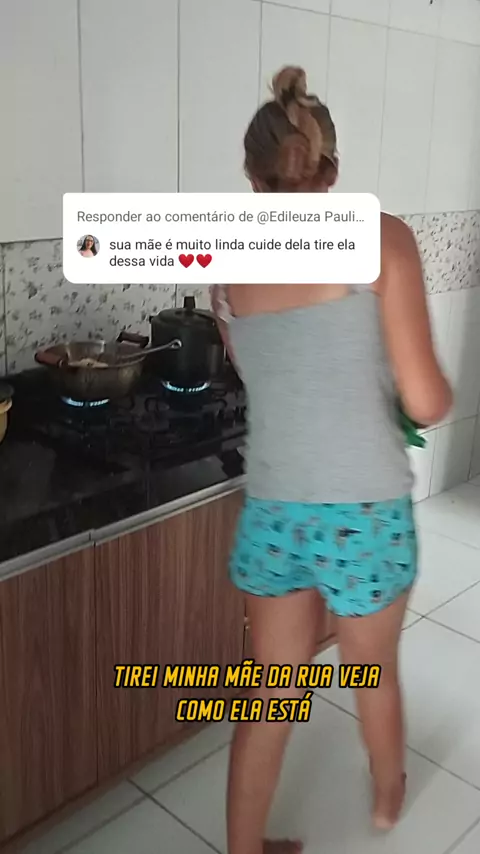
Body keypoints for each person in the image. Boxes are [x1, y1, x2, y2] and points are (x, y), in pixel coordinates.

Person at [211, 66, 452, 854]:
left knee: (270, 689)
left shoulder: (226, 261)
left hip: (274, 510)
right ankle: (385, 801)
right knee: (369, 669)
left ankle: (244, 848)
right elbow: (426, 401)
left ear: (252, 177)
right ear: (332, 170)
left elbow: (267, 372)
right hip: (365, 512)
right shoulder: (382, 240)